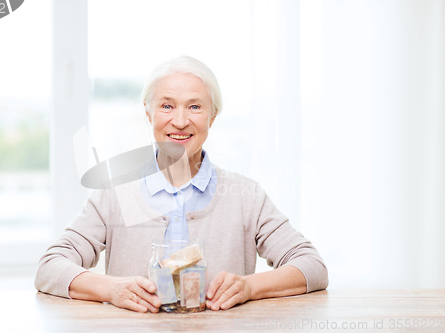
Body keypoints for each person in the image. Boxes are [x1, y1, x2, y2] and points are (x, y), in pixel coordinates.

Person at [34, 56, 328, 313]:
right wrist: (112, 289)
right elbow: (51, 267)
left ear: (212, 117)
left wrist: (250, 287)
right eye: (167, 106)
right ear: (148, 113)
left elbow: (312, 267)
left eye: (195, 106)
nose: (180, 120)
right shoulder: (115, 193)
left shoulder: (246, 196)